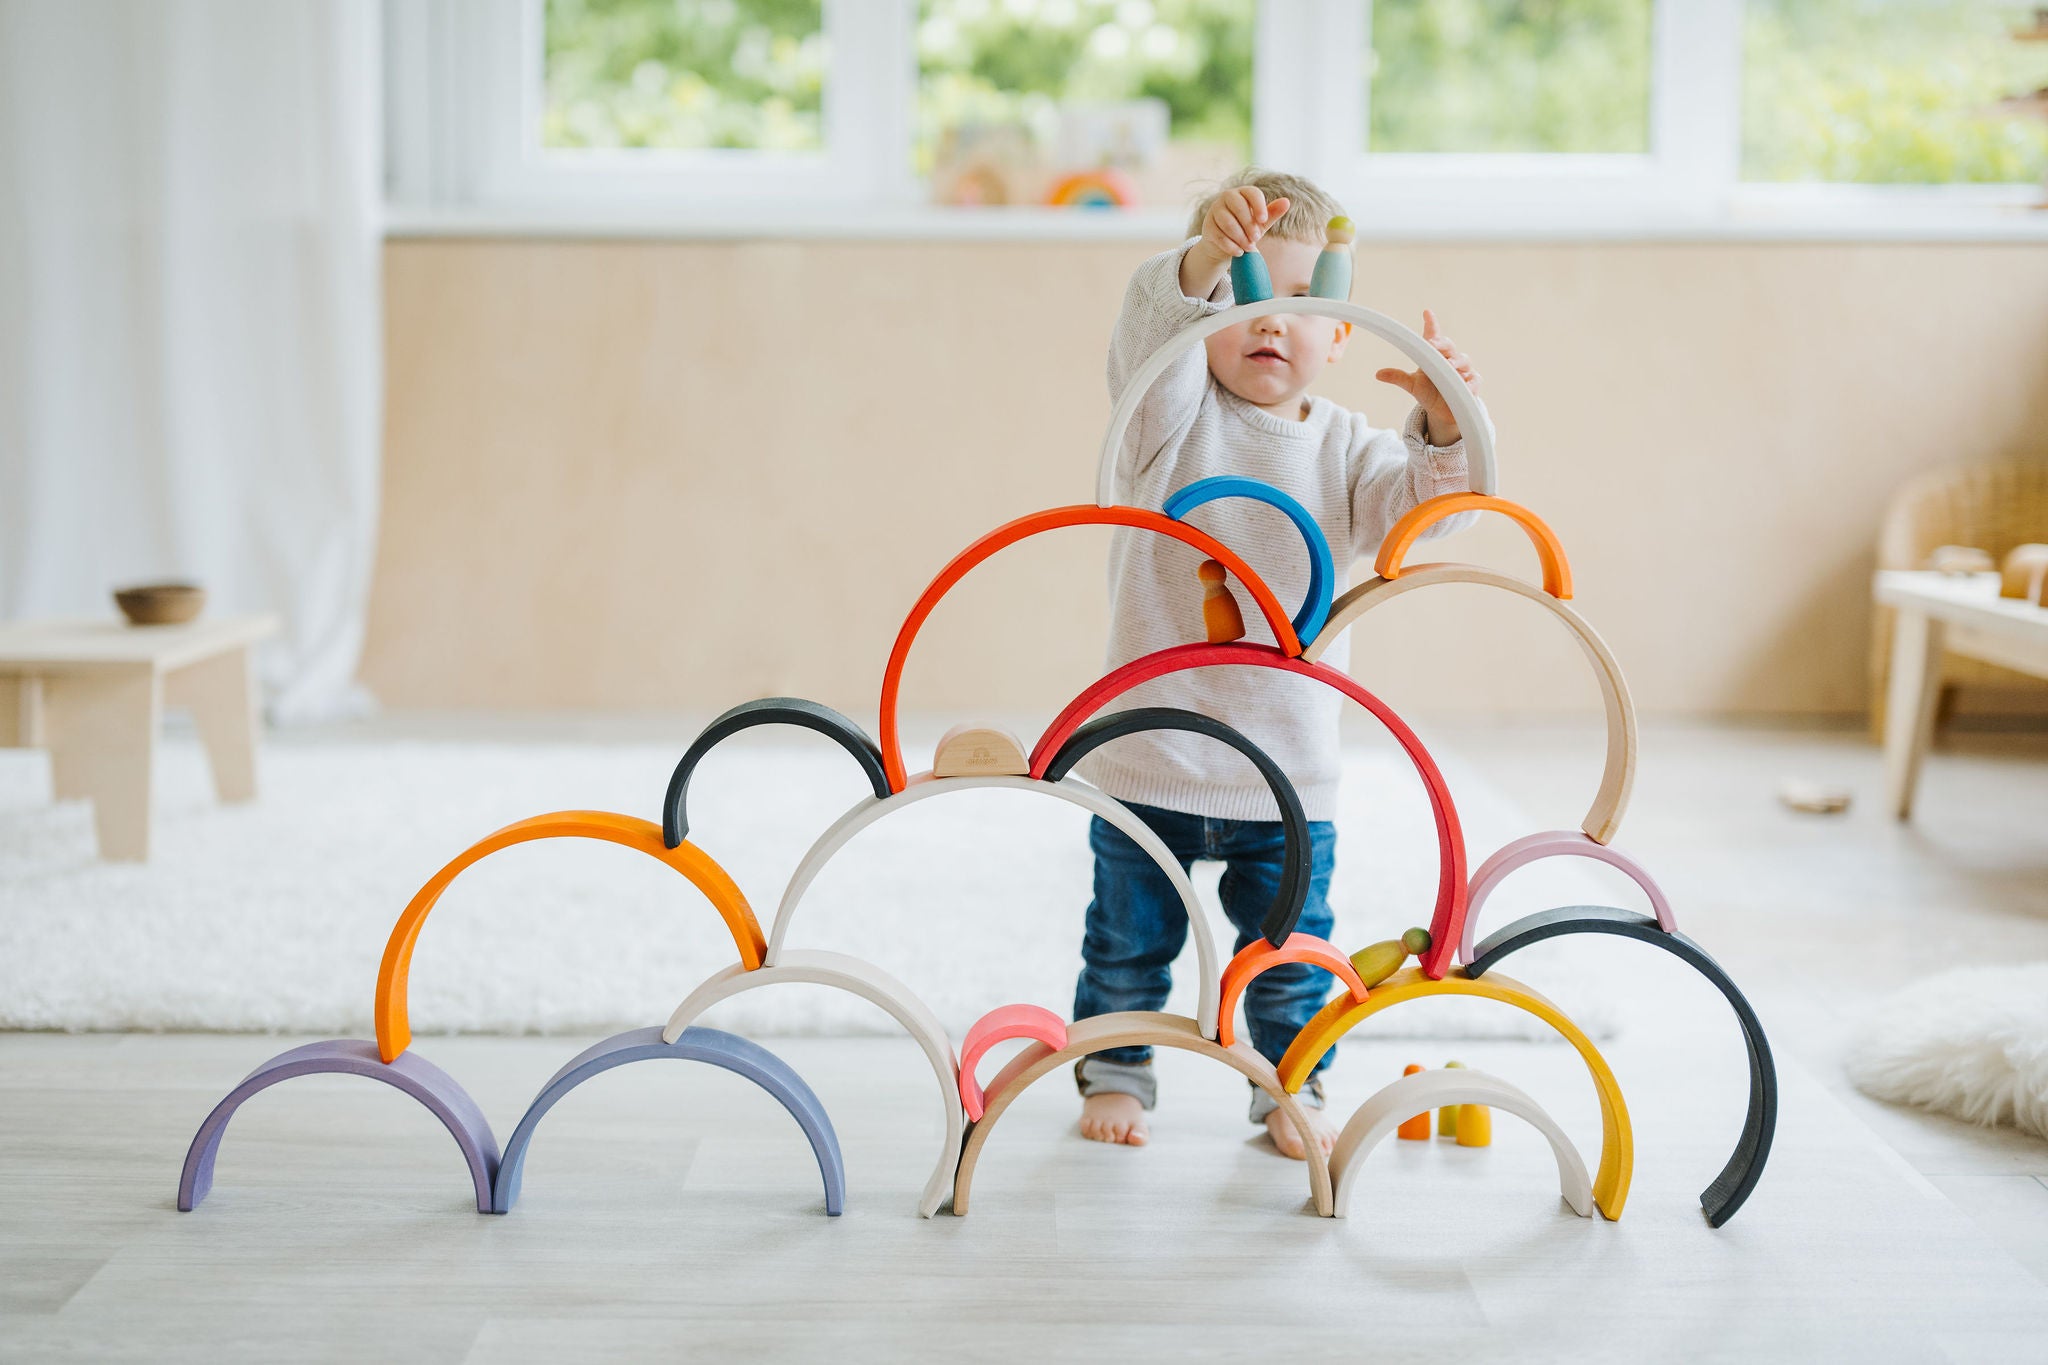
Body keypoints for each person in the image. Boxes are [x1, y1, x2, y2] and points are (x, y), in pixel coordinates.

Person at [1073, 168, 1485, 1158]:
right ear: (1204, 322)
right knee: (1126, 942)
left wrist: (1439, 422)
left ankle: (1289, 1085)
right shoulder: (1166, 419)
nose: (1271, 322)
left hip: (1285, 771)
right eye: (1245, 298)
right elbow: (1147, 335)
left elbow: (1421, 515)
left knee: (1290, 958)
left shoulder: (1346, 449)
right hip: (1152, 756)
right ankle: (1117, 1066)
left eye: (1300, 304)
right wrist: (1199, 262)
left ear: (1339, 336)